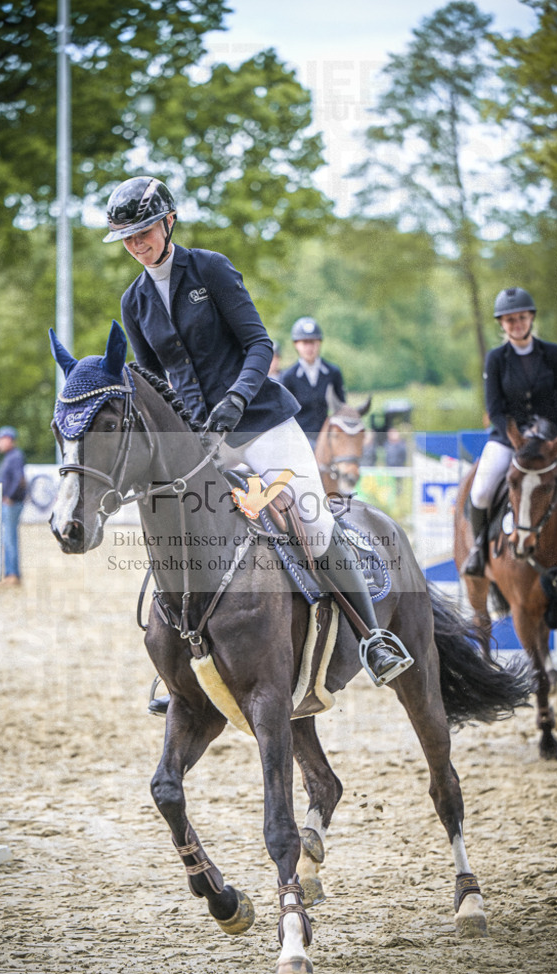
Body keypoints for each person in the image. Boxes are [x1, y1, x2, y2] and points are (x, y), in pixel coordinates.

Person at [102, 175, 411, 710]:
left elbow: (258, 342)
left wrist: (237, 400)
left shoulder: (210, 270)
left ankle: (373, 638)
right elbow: (154, 384)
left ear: (168, 222)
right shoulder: (134, 302)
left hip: (260, 423)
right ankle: (178, 664)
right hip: (203, 442)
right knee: (180, 533)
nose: (137, 244)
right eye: (127, 237)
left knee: (312, 519)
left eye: (144, 231)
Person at [462, 287, 557, 576]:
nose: (517, 324)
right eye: (510, 320)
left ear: (531, 318)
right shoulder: (497, 358)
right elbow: (495, 408)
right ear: (502, 324)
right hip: (511, 440)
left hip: (554, 439)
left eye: (521, 318)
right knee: (482, 490)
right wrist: (515, 436)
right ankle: (478, 548)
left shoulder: (553, 353)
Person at [280, 317, 346, 444]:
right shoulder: (288, 376)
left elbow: (341, 406)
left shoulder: (333, 372)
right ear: (296, 344)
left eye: (313, 342)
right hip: (299, 439)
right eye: (305, 342)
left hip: (327, 437)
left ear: (319, 343)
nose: (309, 347)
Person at [0, 426, 27, 585]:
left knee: (9, 539)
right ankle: (10, 573)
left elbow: (19, 479)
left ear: (8, 439)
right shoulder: (10, 456)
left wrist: (9, 497)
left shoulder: (15, 456)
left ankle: (12, 574)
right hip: (9, 503)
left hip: (11, 504)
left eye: (0, 439)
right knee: (7, 538)